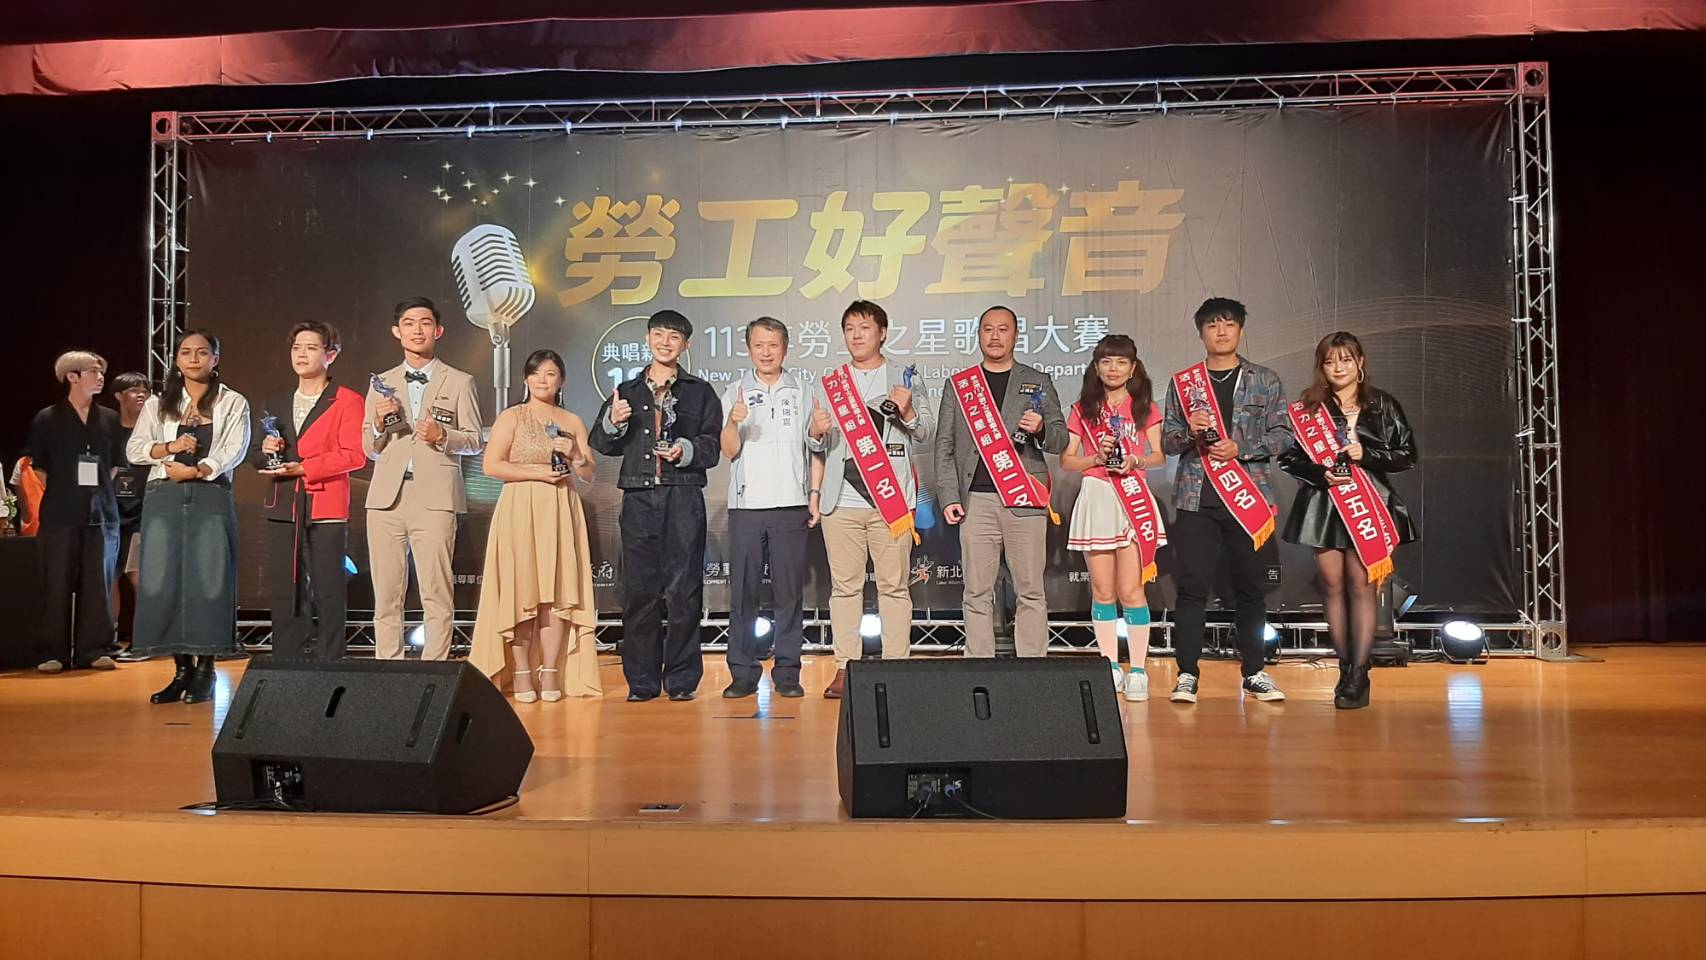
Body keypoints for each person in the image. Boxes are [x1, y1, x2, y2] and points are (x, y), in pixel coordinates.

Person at [1161, 298, 1290, 704]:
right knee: (1192, 588)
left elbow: (1284, 435)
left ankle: (1254, 671)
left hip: (1248, 498)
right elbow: (1167, 441)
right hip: (1196, 497)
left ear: (1240, 330)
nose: (1221, 331)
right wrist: (1188, 433)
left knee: (1249, 588)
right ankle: (1187, 673)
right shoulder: (1185, 382)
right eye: (1213, 325)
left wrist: (1242, 448)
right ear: (1201, 333)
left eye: (1229, 324)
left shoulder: (1264, 379)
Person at [1279, 332, 1418, 709]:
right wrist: (1319, 473)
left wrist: (1366, 454)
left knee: (1361, 584)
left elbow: (1407, 454)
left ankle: (1359, 671)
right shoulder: (1309, 408)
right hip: (1324, 504)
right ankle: (1344, 667)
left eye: (1345, 360)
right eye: (1330, 361)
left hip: (1368, 503)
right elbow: (1287, 458)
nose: (1338, 368)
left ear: (1360, 363)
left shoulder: (1382, 404)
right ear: (1321, 367)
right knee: (1331, 583)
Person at [590, 309, 722, 702]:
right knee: (640, 592)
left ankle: (681, 680)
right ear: (648, 339)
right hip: (638, 497)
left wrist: (685, 450)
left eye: (674, 337)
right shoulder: (626, 391)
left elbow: (713, 447)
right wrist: (614, 421)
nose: (666, 342)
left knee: (684, 592)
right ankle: (642, 682)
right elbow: (601, 443)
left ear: (686, 344)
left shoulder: (701, 391)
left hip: (683, 497)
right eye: (659, 335)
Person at [809, 300, 935, 699]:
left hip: (890, 501)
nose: (857, 335)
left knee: (894, 587)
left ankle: (896, 665)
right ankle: (845, 667)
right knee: (844, 588)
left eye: (864, 327)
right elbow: (814, 444)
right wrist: (815, 432)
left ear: (882, 333)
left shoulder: (904, 376)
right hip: (841, 500)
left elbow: (926, 431)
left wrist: (908, 411)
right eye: (850, 328)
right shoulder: (830, 383)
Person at [934, 305, 1068, 660]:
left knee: (1031, 591)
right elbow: (944, 445)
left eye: (1003, 329)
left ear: (1016, 335)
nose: (995, 336)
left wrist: (1041, 429)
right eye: (988, 329)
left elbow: (1060, 439)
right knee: (976, 592)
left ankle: (1032, 667)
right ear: (978, 335)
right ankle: (978, 668)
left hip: (1024, 497)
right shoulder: (960, 385)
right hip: (975, 501)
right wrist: (949, 496)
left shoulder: (1037, 380)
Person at [470, 349, 603, 702]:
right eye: (536, 373)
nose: (543, 380)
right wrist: (536, 473)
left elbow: (589, 474)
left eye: (550, 373)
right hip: (520, 508)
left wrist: (575, 454)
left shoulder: (572, 421)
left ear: (562, 380)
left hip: (560, 510)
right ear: (525, 379)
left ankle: (551, 672)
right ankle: (521, 674)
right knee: (522, 592)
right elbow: (491, 466)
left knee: (556, 594)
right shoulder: (511, 416)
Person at [127, 330, 251, 704]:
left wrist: (198, 470)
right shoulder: (158, 403)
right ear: (177, 360)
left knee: (210, 579)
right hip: (164, 496)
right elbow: (135, 449)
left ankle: (205, 670)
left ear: (215, 359)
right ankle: (180, 669)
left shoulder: (232, 401)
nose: (194, 358)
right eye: (186, 352)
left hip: (210, 495)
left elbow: (235, 448)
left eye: (202, 352)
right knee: (163, 579)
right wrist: (170, 447)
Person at [363, 297, 484, 661]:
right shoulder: (381, 383)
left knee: (436, 590)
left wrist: (442, 436)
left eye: (425, 323)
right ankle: (389, 667)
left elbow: (475, 440)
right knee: (387, 593)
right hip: (386, 499)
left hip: (435, 498)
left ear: (438, 330)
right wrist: (379, 423)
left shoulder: (460, 381)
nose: (417, 330)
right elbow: (369, 448)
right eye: (409, 323)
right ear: (397, 331)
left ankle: (436, 670)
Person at [718, 317, 822, 700]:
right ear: (749, 349)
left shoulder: (804, 390)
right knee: (744, 593)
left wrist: (814, 494)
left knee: (789, 593)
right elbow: (728, 450)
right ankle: (743, 671)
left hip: (791, 504)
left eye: (773, 345)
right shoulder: (734, 391)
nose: (766, 352)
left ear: (785, 349)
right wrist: (733, 422)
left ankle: (788, 671)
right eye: (759, 345)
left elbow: (816, 448)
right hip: (747, 506)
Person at [1060, 335, 1167, 700]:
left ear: (1133, 368)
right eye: (1106, 361)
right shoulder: (1082, 410)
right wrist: (1096, 458)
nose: (1113, 368)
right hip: (1097, 496)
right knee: (1103, 590)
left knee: (1131, 590)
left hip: (1133, 496)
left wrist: (1136, 460)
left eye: (1121, 362)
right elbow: (1067, 461)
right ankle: (1109, 666)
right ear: (1096, 367)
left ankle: (1137, 670)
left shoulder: (1145, 407)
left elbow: (1159, 456)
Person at [252, 322, 365, 660]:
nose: (301, 354)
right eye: (296, 347)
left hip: (325, 502)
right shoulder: (276, 401)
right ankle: (288, 659)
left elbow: (354, 455)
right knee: (286, 587)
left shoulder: (346, 400)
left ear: (331, 355)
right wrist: (267, 450)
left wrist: (304, 467)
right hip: (283, 503)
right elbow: (256, 454)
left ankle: (330, 661)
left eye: (311, 348)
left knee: (329, 588)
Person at [30, 350, 123, 673]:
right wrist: (66, 492)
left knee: (99, 581)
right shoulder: (47, 418)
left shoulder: (109, 418)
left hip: (102, 512)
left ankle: (94, 649)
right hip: (60, 512)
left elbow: (114, 465)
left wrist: (95, 493)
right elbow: (39, 467)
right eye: (93, 372)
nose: (100, 377)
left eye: (101, 371)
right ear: (72, 376)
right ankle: (52, 651)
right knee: (55, 581)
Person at [110, 372, 152, 653]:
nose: (141, 395)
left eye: (145, 390)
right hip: (110, 514)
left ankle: (144, 638)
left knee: (137, 576)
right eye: (134, 390)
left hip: (142, 514)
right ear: (118, 396)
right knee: (108, 577)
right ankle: (109, 637)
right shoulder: (108, 431)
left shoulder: (151, 431)